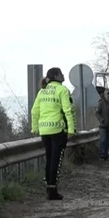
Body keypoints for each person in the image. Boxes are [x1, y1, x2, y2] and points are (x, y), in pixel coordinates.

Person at [30, 67, 75, 200]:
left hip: (44, 130)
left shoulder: (42, 91)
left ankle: (49, 187)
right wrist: (71, 129)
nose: (63, 75)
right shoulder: (62, 90)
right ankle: (52, 190)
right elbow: (68, 110)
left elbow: (34, 111)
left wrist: (34, 128)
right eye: (61, 73)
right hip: (57, 130)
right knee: (56, 160)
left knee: (49, 159)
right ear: (56, 76)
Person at [95, 89, 109, 160]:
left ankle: (105, 154)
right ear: (105, 95)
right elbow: (97, 113)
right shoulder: (101, 103)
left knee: (108, 141)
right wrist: (102, 120)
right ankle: (101, 154)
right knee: (103, 140)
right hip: (103, 126)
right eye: (108, 94)